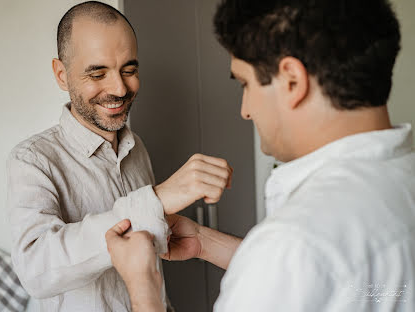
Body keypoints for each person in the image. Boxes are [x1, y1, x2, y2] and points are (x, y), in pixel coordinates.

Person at [106, 0, 415, 311]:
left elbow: (302, 263)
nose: (246, 111)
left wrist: (143, 285)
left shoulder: (293, 241)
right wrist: (205, 241)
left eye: (245, 83)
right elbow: (353, 287)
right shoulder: (401, 181)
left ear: (293, 81)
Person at [6, 1, 232, 311]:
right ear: (62, 74)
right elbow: (35, 270)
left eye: (129, 70)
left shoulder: (136, 147)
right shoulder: (32, 160)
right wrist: (156, 200)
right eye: (97, 74)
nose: (120, 88)